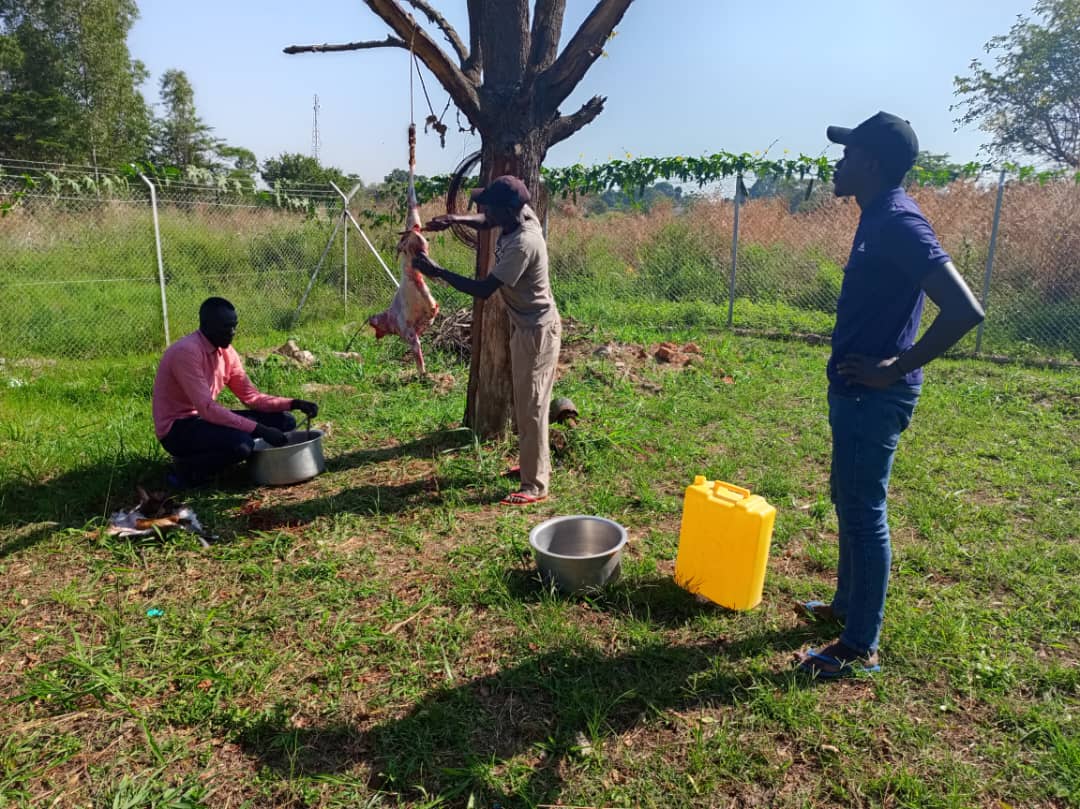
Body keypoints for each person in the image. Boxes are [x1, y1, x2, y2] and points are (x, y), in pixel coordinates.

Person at [796, 112, 985, 679]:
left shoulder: (901, 222)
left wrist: (895, 368)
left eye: (848, 153)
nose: (839, 162)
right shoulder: (876, 214)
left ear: (871, 164)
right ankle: (844, 608)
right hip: (854, 391)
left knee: (864, 512)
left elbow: (965, 310)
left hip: (873, 397)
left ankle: (859, 646)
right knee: (848, 502)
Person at [413, 175, 561, 506]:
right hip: (524, 325)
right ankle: (530, 464)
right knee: (526, 401)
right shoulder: (518, 215)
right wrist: (454, 219)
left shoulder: (524, 242)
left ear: (508, 210)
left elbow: (483, 290)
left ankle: (536, 484)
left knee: (532, 405)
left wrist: (438, 272)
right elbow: (487, 220)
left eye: (489, 206)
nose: (483, 211)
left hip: (536, 331)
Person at [152, 297, 319, 488]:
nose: (232, 332)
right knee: (241, 445)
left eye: (234, 326)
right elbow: (207, 408)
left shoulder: (227, 352)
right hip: (178, 429)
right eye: (225, 327)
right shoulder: (186, 352)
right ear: (206, 325)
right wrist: (260, 430)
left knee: (285, 421)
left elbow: (251, 397)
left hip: (204, 420)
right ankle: (186, 469)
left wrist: (295, 403)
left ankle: (250, 461)